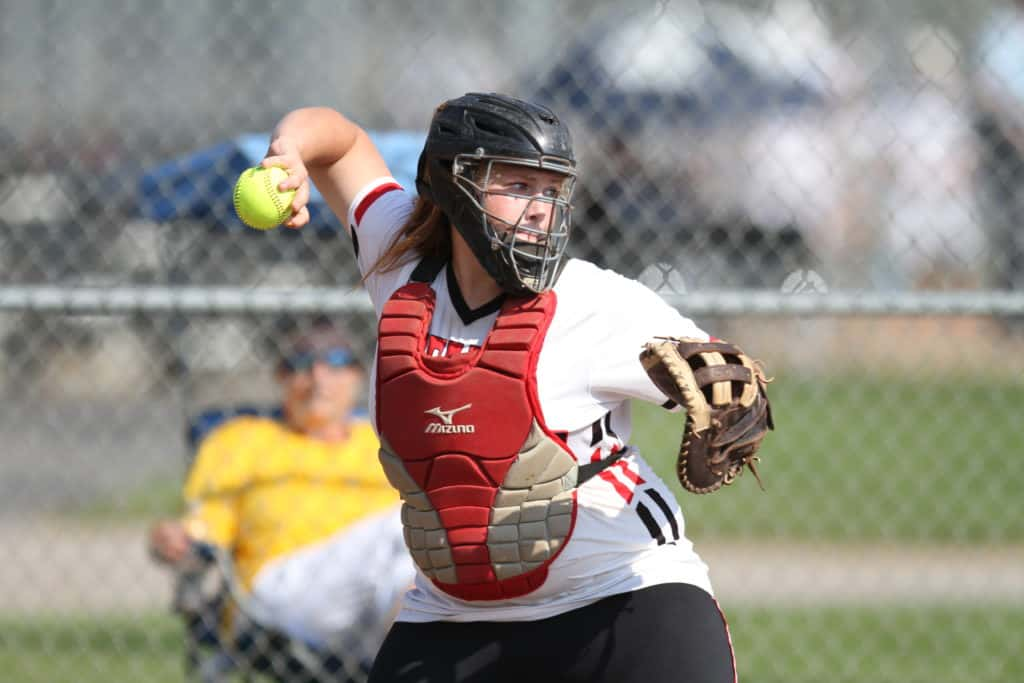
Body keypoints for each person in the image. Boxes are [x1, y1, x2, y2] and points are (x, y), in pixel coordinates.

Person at [263, 93, 771, 682]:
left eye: (551, 191)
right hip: (454, 617)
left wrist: (735, 406)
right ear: (455, 183)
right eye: (518, 185)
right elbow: (342, 141)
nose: (540, 210)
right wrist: (290, 152)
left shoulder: (592, 302)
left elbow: (727, 380)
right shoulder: (399, 261)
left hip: (619, 600)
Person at [149, 319, 414, 670]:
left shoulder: (384, 441)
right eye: (302, 363)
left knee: (411, 573)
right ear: (281, 376)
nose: (319, 378)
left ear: (357, 376)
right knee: (412, 524)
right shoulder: (241, 439)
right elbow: (203, 528)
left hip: (376, 597)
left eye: (335, 362)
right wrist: (177, 541)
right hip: (278, 590)